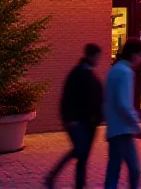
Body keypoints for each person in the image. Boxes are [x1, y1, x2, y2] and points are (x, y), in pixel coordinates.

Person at [45, 43, 104, 189]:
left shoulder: (88, 73)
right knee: (79, 150)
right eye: (97, 56)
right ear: (90, 56)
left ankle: (79, 184)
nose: (99, 60)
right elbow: (68, 97)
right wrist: (69, 119)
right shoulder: (78, 73)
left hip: (89, 122)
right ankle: (53, 175)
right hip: (79, 121)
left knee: (83, 156)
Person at [104, 39, 141, 189]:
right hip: (123, 130)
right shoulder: (126, 72)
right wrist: (136, 124)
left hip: (114, 129)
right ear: (134, 55)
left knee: (114, 169)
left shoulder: (114, 69)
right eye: (140, 55)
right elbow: (124, 104)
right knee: (134, 170)